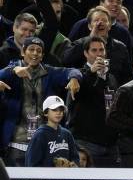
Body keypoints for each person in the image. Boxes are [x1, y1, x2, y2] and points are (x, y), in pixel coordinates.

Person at [0, 36, 82, 167]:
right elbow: (2, 74)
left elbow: (72, 71)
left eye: (38, 51)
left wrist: (74, 78)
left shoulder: (50, 72)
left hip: (45, 144)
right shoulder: (12, 71)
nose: (35, 53)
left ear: (42, 55)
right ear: (22, 52)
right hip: (17, 144)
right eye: (31, 49)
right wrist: (14, 71)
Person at [67, 35, 119, 167]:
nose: (99, 54)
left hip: (110, 143)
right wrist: (91, 72)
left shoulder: (111, 78)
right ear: (85, 53)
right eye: (94, 50)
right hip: (86, 143)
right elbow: (78, 95)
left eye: (101, 50)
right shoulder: (77, 75)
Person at [62, 6, 133, 85]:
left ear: (109, 26)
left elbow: (127, 76)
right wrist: (90, 38)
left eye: (104, 20)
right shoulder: (79, 44)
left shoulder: (120, 47)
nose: (100, 23)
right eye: (96, 20)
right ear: (89, 26)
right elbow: (66, 60)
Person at [68, 0, 133, 52]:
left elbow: (128, 60)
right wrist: (89, 39)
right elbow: (67, 54)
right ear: (101, 3)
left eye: (119, 2)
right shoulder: (82, 25)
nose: (115, 4)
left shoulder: (124, 32)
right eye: (111, 0)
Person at [25, 95, 79, 167]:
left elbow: (75, 159)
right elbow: (31, 164)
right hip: (46, 177)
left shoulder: (67, 134)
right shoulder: (40, 135)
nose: (58, 112)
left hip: (65, 177)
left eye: (61, 110)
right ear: (46, 113)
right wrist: (52, 168)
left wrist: (71, 165)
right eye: (54, 110)